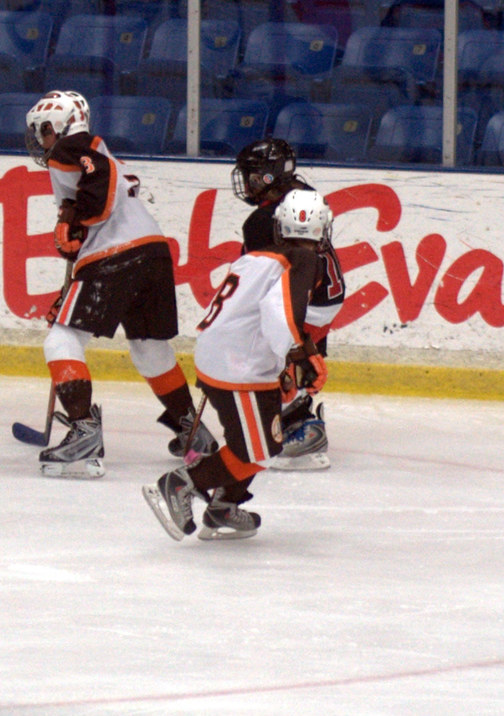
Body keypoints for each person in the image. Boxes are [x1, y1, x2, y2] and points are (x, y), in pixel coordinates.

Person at [24, 90, 216, 479]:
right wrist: (75, 221)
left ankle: (84, 434)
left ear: (61, 126)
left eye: (43, 131)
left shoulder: (73, 146)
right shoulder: (103, 156)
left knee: (61, 340)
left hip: (114, 255)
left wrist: (77, 218)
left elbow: (96, 177)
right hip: (152, 252)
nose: (40, 140)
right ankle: (193, 432)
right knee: (149, 348)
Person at [142, 189, 334, 540]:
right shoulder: (306, 260)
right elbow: (280, 313)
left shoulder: (256, 256)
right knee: (259, 450)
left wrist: (291, 356)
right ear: (323, 229)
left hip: (229, 357)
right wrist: (299, 355)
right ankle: (182, 484)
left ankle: (224, 506)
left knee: (261, 440)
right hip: (240, 366)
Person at [230, 138, 345, 471]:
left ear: (270, 176)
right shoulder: (304, 194)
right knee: (287, 352)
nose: (247, 183)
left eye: (253, 175)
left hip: (307, 298)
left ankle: (302, 428)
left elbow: (263, 275)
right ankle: (294, 416)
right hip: (321, 295)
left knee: (265, 349)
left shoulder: (262, 220)